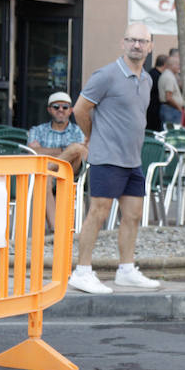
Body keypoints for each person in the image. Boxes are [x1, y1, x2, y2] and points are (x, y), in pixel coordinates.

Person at [68, 22, 159, 294]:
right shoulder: (106, 75)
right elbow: (80, 109)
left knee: (133, 215)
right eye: (131, 40)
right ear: (123, 43)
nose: (136, 45)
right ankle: (82, 272)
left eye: (142, 41)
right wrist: (91, 136)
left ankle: (126, 270)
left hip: (133, 160)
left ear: (150, 46)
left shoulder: (147, 79)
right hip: (107, 157)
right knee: (98, 213)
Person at [27, 92, 88, 232]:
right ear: (49, 109)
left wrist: (45, 151)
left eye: (65, 107)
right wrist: (65, 150)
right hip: (45, 175)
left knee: (77, 148)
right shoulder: (37, 130)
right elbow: (32, 152)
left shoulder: (78, 131)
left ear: (71, 110)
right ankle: (57, 230)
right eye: (56, 106)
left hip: (70, 173)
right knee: (44, 178)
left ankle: (49, 168)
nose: (60, 109)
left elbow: (83, 153)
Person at [158, 49, 184, 127]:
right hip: (171, 110)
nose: (179, 67)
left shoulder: (169, 75)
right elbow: (168, 97)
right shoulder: (169, 77)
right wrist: (179, 108)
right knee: (172, 135)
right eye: (178, 65)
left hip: (169, 109)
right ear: (172, 65)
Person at [146, 53, 167, 132]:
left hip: (151, 108)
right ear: (165, 64)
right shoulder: (157, 76)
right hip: (154, 109)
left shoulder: (151, 73)